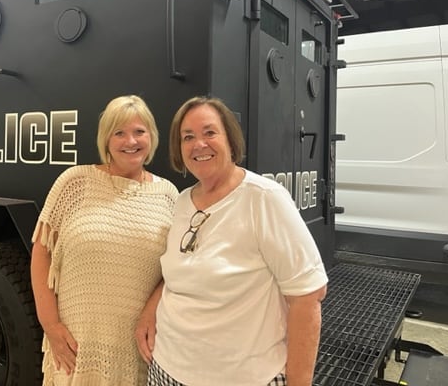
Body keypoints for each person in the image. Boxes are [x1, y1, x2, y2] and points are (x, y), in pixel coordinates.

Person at [135, 96, 328, 386]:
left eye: (210, 132)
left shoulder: (263, 198)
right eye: (188, 137)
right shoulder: (183, 201)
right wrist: (151, 309)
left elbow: (308, 295)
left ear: (230, 138)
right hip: (167, 370)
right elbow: (181, 270)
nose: (199, 144)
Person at [31, 95, 179, 386]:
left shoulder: (169, 196)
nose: (130, 141)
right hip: (75, 350)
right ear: (106, 140)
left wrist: (152, 307)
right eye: (119, 132)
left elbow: (178, 268)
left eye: (139, 131)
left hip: (137, 353)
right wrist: (50, 325)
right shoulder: (74, 182)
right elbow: (42, 254)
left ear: (152, 137)